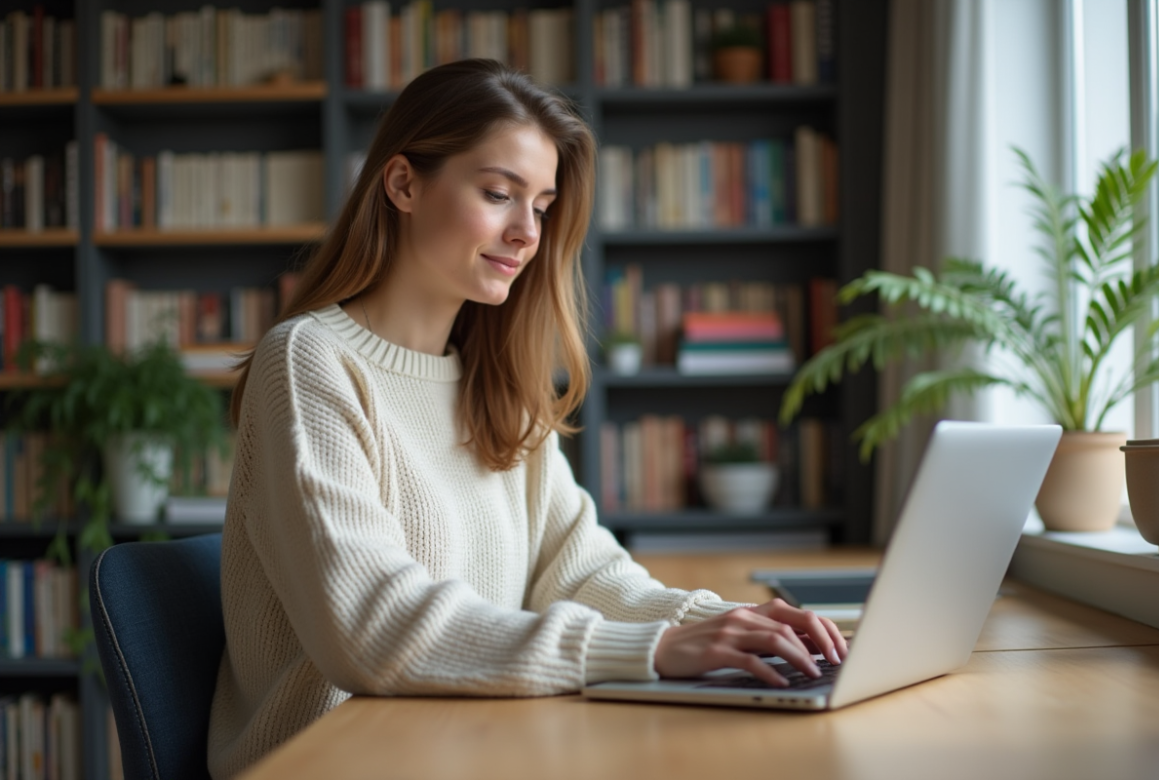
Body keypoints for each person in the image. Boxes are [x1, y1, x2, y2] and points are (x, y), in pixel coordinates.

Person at [207, 59, 847, 779]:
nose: (526, 233)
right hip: (336, 761)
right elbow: (371, 629)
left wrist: (717, 625)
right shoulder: (310, 362)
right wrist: (651, 651)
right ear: (403, 184)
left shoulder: (496, 383)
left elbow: (581, 573)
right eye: (498, 194)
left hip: (474, 747)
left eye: (540, 206)